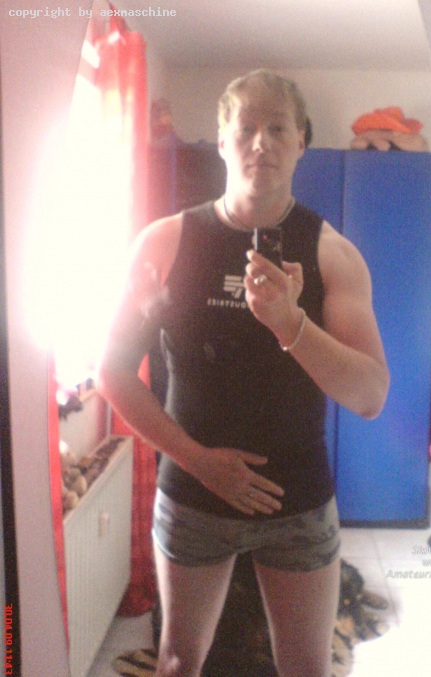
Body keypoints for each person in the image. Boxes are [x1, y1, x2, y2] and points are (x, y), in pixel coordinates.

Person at [98, 69, 389, 677]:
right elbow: (114, 371)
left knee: (306, 668)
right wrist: (198, 460)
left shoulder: (333, 254)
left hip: (298, 500)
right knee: (179, 661)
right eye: (246, 127)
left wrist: (292, 325)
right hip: (194, 495)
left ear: (301, 141)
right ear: (223, 141)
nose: (262, 142)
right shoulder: (164, 244)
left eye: (278, 128)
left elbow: (370, 395)